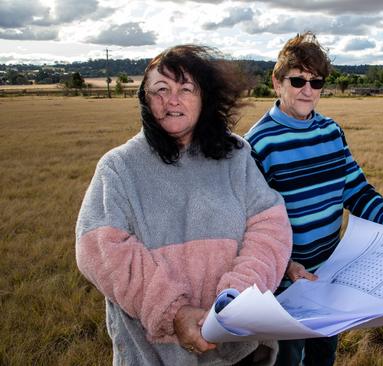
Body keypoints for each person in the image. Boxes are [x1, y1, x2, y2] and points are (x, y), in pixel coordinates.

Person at [75, 45, 292, 366]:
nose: (172, 100)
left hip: (242, 350)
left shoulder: (236, 155)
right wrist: (174, 312)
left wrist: (236, 297)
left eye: (185, 89)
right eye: (160, 90)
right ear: (145, 100)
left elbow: (270, 228)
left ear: (204, 97)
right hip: (155, 356)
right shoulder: (118, 167)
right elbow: (101, 251)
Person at [244, 32, 383, 366]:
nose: (308, 90)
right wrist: (284, 267)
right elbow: (248, 226)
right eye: (298, 80)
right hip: (284, 287)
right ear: (277, 83)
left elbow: (358, 192)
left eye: (316, 82)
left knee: (323, 358)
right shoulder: (258, 144)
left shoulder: (331, 133)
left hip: (328, 278)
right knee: (287, 360)